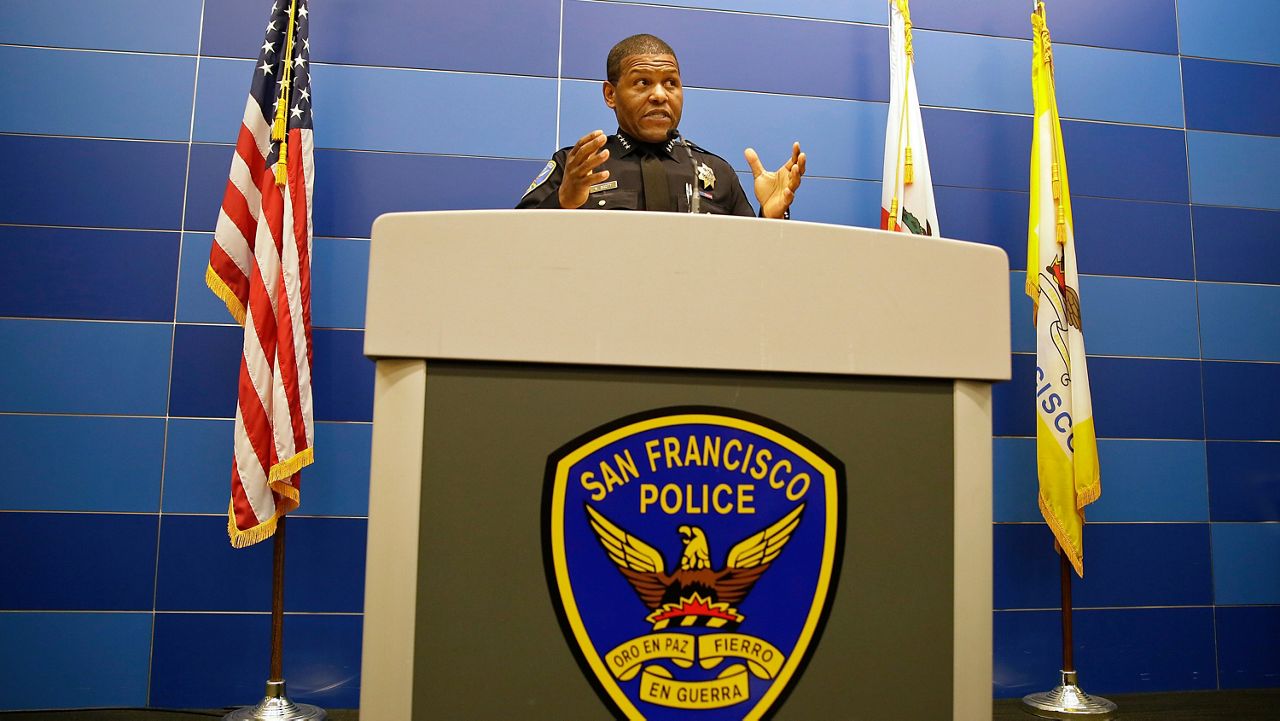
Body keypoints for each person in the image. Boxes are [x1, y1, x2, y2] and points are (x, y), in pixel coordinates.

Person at [517, 34, 805, 219]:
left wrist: (771, 217)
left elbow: (752, 262)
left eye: (671, 83)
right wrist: (564, 201)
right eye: (642, 82)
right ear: (610, 94)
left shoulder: (717, 173)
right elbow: (516, 246)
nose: (659, 95)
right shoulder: (577, 166)